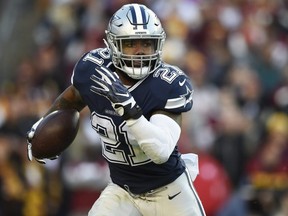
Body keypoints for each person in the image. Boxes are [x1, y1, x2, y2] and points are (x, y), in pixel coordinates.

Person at [26, 3, 206, 216]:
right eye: (131, 44)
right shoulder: (93, 70)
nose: (140, 51)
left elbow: (161, 151)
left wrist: (130, 110)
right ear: (113, 45)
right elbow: (70, 100)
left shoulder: (167, 84)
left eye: (147, 43)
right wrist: (42, 125)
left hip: (169, 190)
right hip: (123, 190)